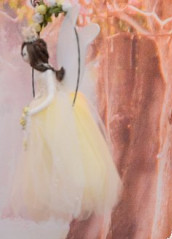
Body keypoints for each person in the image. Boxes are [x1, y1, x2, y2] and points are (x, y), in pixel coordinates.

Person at [11, 36, 121, 222]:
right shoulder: (37, 71)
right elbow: (41, 93)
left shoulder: (46, 72)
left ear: (33, 54)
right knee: (44, 156)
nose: (23, 57)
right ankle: (57, 196)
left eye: (24, 53)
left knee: (64, 154)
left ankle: (76, 195)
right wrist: (32, 107)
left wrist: (33, 110)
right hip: (43, 112)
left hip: (54, 111)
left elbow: (50, 96)